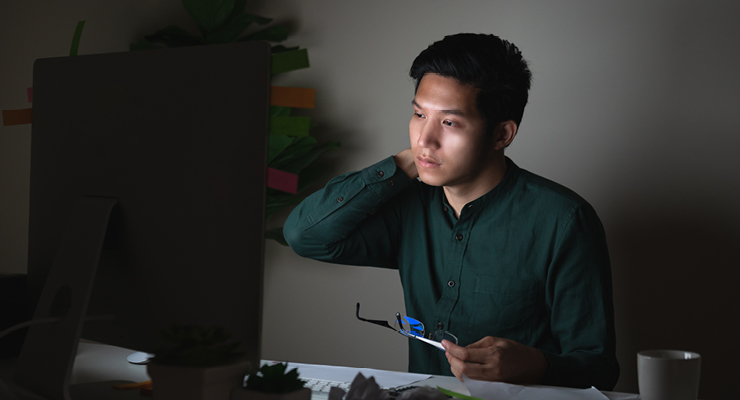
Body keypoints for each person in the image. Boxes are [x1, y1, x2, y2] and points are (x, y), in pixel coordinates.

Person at [283, 33, 619, 390]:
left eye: (449, 122)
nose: (423, 138)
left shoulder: (563, 221)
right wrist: (408, 162)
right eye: (418, 114)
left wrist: (534, 364)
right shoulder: (409, 205)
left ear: (501, 134)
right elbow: (306, 236)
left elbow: (598, 370)